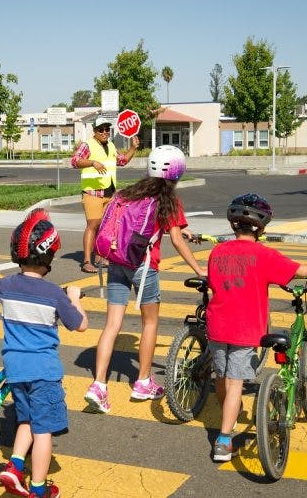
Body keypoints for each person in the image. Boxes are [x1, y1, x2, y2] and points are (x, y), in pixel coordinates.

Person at [206, 193, 307, 462]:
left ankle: (228, 413)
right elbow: (299, 270)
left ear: (234, 224)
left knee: (221, 376)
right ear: (261, 227)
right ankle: (223, 442)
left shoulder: (218, 251)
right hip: (244, 329)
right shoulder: (264, 254)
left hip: (217, 324)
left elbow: (213, 282)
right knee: (236, 383)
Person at [0, 209, 88, 498]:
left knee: (26, 420)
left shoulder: (5, 286)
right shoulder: (54, 294)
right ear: (50, 255)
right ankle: (38, 488)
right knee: (43, 430)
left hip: (15, 369)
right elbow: (80, 325)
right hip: (43, 372)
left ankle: (14, 465)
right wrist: (73, 299)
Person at [84, 145, 206, 414]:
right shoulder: (168, 200)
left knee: (112, 324)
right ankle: (142, 382)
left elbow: (168, 229)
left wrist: (185, 232)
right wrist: (199, 270)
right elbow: (175, 238)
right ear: (177, 172)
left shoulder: (128, 193)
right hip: (144, 266)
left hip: (117, 261)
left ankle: (98, 385)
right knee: (149, 323)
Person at [71, 116, 139, 273]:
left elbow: (121, 161)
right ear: (94, 131)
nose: (104, 132)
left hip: (109, 192)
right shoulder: (87, 145)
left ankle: (100, 256)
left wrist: (133, 148)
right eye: (101, 129)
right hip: (93, 192)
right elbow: (75, 161)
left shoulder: (110, 145)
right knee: (93, 225)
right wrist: (92, 162)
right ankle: (87, 261)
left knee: (105, 227)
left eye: (107, 129)